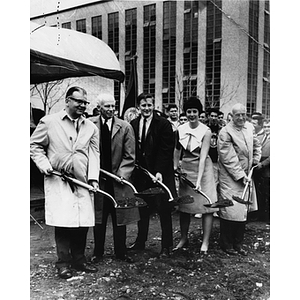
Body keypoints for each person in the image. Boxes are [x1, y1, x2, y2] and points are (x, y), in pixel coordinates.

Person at [30, 86, 100, 279]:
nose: (82, 106)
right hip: (59, 179)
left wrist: (93, 178)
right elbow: (34, 145)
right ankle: (63, 263)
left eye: (85, 102)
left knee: (82, 222)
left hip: (83, 181)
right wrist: (43, 164)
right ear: (67, 100)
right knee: (63, 222)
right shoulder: (50, 122)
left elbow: (94, 154)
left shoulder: (91, 127)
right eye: (78, 101)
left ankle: (79, 259)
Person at [89, 93, 137, 263]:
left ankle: (121, 252)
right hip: (98, 180)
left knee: (120, 217)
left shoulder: (125, 127)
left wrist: (122, 175)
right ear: (99, 107)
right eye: (107, 106)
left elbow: (130, 155)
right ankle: (98, 252)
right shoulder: (90, 124)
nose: (111, 109)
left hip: (118, 181)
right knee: (99, 218)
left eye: (113, 106)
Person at [129, 93, 177, 258]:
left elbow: (166, 150)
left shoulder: (163, 124)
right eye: (143, 105)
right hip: (142, 175)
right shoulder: (134, 124)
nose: (147, 108)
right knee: (142, 209)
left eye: (149, 105)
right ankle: (140, 241)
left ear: (154, 105)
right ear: (138, 107)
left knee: (163, 209)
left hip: (160, 174)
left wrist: (158, 171)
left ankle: (166, 245)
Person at [173, 96, 218, 255]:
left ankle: (205, 242)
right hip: (186, 169)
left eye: (195, 111)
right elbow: (177, 150)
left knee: (206, 205)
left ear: (199, 113)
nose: (192, 114)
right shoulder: (180, 129)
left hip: (203, 170)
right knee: (185, 206)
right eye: (189, 111)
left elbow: (203, 156)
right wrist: (175, 167)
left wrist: (198, 181)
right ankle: (184, 238)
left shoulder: (206, 131)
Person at [217, 103, 261, 256]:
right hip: (230, 177)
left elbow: (256, 144)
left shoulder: (249, 127)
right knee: (230, 209)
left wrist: (256, 159)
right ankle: (226, 243)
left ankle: (238, 243)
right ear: (232, 115)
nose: (241, 117)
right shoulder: (225, 132)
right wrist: (241, 176)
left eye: (244, 114)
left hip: (247, 175)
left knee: (242, 210)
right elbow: (228, 158)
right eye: (238, 115)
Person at [253, 119, 270, 222]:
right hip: (261, 170)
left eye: (270, 127)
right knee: (261, 193)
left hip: (268, 170)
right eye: (266, 127)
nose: (268, 129)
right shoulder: (262, 137)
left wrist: (263, 164)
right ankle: (261, 214)